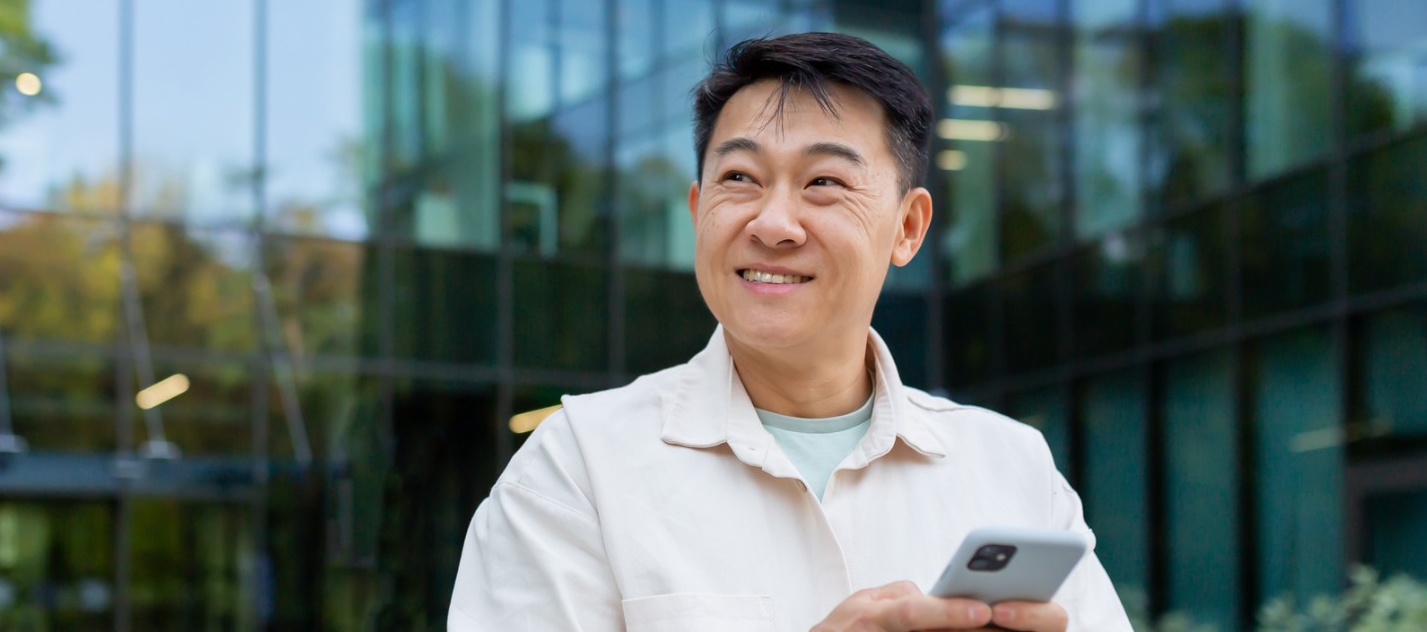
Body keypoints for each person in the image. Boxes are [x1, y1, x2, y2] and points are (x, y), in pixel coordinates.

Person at [450, 33, 1131, 631]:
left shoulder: (1011, 469)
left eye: (824, 182)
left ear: (908, 228)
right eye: (740, 177)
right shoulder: (577, 467)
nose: (773, 223)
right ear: (698, 209)